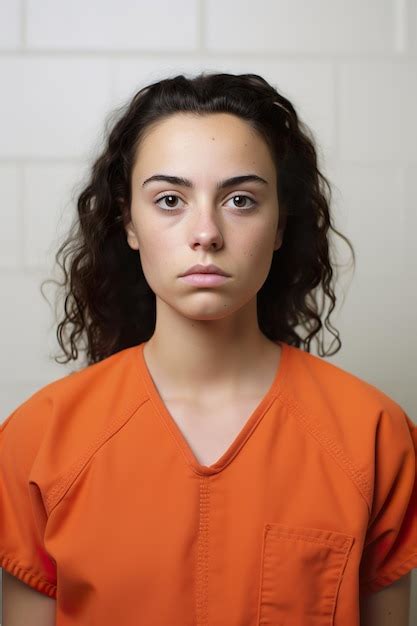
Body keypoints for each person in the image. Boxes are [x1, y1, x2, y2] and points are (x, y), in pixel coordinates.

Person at [1, 71, 416, 626]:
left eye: (241, 200)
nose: (206, 232)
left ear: (279, 227)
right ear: (129, 222)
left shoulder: (375, 435)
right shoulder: (36, 440)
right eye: (170, 199)